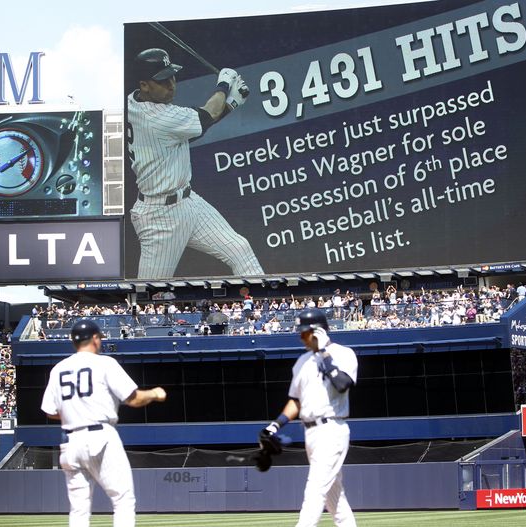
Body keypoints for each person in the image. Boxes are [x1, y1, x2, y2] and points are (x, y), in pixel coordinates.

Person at [126, 48, 264, 279]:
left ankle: (264, 312)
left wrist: (231, 104)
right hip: (160, 216)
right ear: (144, 84)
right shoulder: (154, 118)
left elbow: (194, 128)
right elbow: (204, 116)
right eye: (162, 80)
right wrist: (224, 86)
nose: (171, 84)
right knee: (150, 295)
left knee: (240, 249)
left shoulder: (134, 101)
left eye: (171, 76)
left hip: (188, 201)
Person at [41, 319, 167, 527]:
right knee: (122, 499)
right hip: (100, 435)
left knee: (79, 509)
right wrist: (154, 393)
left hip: (69, 442)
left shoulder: (58, 369)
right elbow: (133, 399)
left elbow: (50, 412)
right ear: (95, 339)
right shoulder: (104, 363)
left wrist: (76, 411)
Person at [260, 308, 358, 527]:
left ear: (319, 332)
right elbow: (296, 400)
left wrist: (324, 352)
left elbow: (342, 385)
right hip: (311, 433)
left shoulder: (344, 353)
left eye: (305, 332)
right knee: (335, 500)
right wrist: (275, 425)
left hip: (332, 429)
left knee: (314, 490)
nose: (300, 336)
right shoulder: (302, 361)